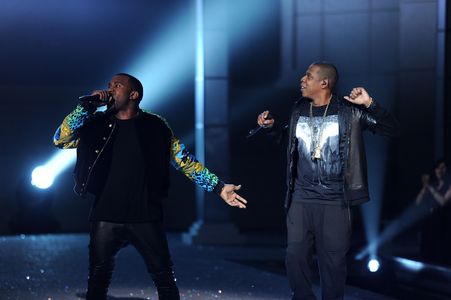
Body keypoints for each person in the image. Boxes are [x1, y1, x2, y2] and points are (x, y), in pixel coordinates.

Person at [53, 73, 247, 300]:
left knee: (164, 278)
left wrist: (219, 187)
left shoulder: (156, 126)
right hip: (105, 215)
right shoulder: (96, 125)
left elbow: (184, 161)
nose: (110, 90)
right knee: (97, 280)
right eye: (109, 85)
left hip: (145, 215)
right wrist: (85, 107)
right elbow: (60, 139)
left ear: (133, 94)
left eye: (117, 85)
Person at [256, 62, 399, 300]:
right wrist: (271, 129)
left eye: (309, 76)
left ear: (324, 82)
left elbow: (392, 129)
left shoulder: (350, 112)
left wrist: (370, 104)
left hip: (335, 201)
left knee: (333, 266)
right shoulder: (298, 110)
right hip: (301, 198)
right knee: (294, 257)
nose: (302, 79)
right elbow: (288, 141)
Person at [415, 160, 451, 264]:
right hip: (430, 222)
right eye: (438, 167)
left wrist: (430, 188)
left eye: (443, 167)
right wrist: (425, 187)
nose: (440, 170)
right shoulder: (432, 185)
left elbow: (443, 202)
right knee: (427, 249)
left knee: (442, 249)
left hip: (444, 222)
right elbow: (418, 202)